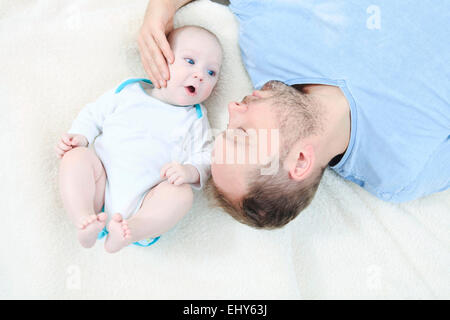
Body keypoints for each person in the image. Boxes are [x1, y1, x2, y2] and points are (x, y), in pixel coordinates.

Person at [139, 0, 450, 229]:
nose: (233, 108)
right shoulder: (400, 171)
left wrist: (159, 11)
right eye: (242, 134)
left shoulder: (268, 46)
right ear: (300, 160)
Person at [57, 25, 222, 252]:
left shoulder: (195, 118)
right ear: (161, 59)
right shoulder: (129, 92)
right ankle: (84, 219)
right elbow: (93, 115)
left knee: (181, 194)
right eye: (190, 61)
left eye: (211, 72)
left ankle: (131, 230)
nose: (200, 75)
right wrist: (80, 136)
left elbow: (205, 156)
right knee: (75, 157)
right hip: (101, 187)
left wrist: (189, 171)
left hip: (146, 200)